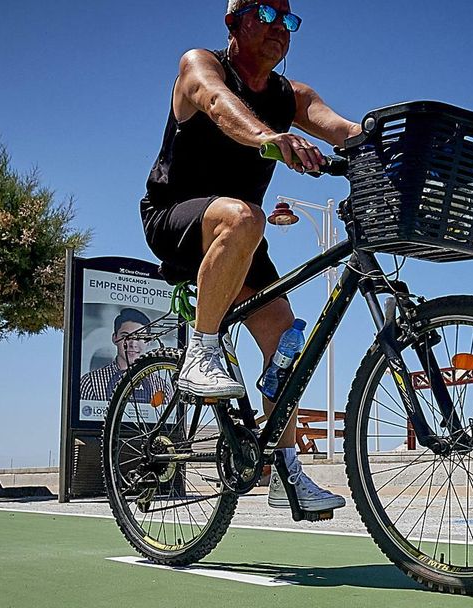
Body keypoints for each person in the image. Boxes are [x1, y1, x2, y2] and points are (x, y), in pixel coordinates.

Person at [139, 0, 352, 514]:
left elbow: (344, 130)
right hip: (176, 219)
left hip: (242, 236)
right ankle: (201, 350)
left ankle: (284, 471)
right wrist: (271, 138)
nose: (281, 27)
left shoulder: (290, 95)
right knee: (243, 216)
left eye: (289, 20)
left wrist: (402, 146)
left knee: (286, 342)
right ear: (233, 21)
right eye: (267, 14)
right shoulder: (200, 65)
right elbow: (217, 102)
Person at [80, 308, 152, 403]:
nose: (133, 344)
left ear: (148, 342)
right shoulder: (90, 383)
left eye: (139, 337)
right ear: (114, 338)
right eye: (126, 336)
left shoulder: (161, 386)